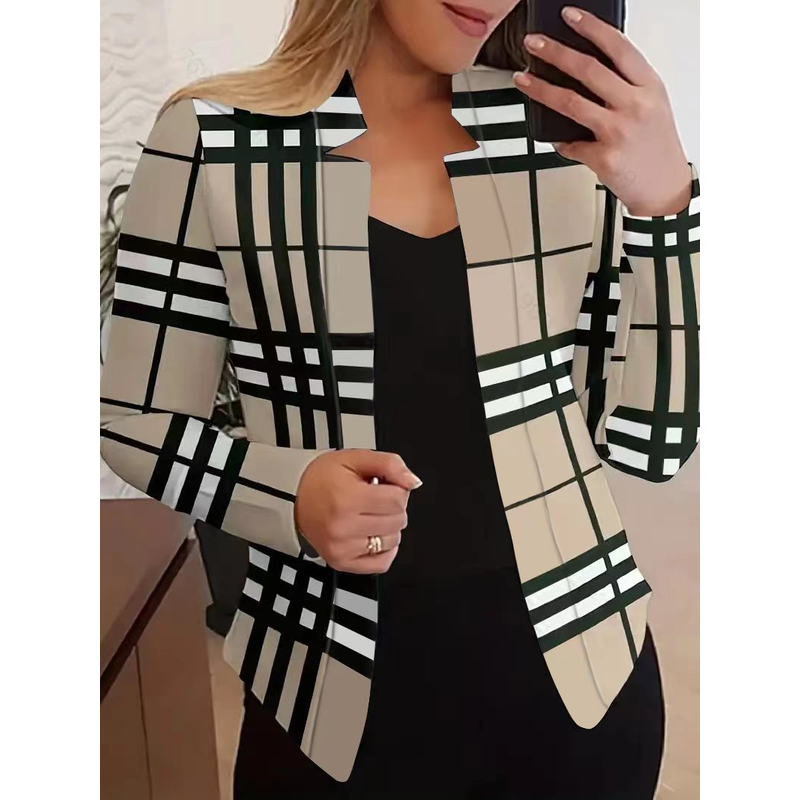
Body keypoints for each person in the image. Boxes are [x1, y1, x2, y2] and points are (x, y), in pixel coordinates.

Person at [99, 1, 700, 797]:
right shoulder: (215, 139)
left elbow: (650, 443)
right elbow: (133, 418)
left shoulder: (566, 137)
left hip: (581, 681)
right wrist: (289, 493)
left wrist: (667, 210)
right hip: (324, 690)